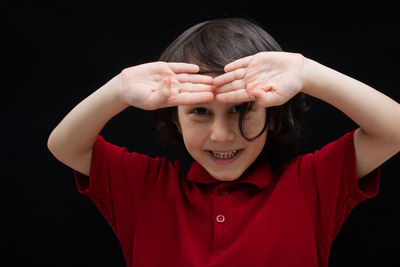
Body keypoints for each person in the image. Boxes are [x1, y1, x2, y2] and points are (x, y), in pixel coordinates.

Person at [47, 18, 400, 267]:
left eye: (242, 110)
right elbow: (64, 146)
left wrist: (307, 72)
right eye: (200, 111)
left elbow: (393, 129)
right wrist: (119, 89)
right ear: (174, 116)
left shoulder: (310, 184)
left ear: (273, 114)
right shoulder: (145, 187)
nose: (222, 134)